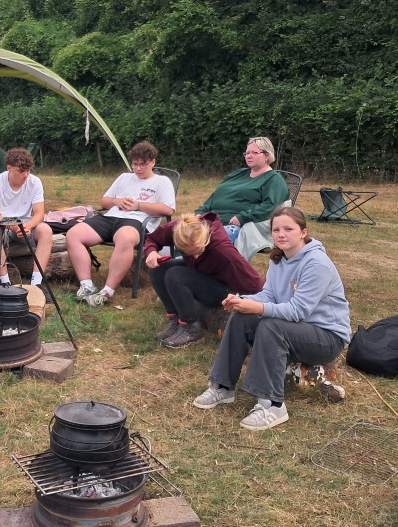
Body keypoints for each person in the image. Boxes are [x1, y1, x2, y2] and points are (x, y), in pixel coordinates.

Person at [193, 207, 350, 431]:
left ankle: (272, 405)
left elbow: (298, 311)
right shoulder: (278, 259)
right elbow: (269, 295)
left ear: (303, 232)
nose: (281, 234)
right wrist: (241, 301)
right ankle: (222, 386)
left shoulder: (317, 263)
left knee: (271, 326)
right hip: (296, 329)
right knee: (241, 317)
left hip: (326, 337)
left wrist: (256, 307)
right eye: (276, 230)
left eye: (288, 229)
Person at [67, 141, 176, 306]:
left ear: (153, 162)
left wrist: (138, 205)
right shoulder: (124, 177)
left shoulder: (162, 182)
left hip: (137, 221)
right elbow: (104, 202)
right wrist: (117, 202)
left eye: (143, 164)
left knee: (125, 238)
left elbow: (168, 209)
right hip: (111, 216)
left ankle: (107, 292)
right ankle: (87, 286)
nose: (138, 168)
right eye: (135, 164)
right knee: (74, 234)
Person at [144, 213, 264, 348]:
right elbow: (152, 238)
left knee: (175, 275)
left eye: (199, 251)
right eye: (189, 253)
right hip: (201, 273)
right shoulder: (179, 230)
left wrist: (264, 307)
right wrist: (151, 251)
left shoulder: (223, 251)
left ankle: (191, 327)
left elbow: (254, 283)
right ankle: (175, 319)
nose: (196, 256)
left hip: (222, 289)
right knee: (158, 269)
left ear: (205, 240)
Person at [196, 136, 289, 244]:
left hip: (237, 226)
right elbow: (216, 196)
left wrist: (243, 217)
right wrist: (201, 212)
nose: (249, 156)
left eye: (254, 153)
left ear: (267, 155)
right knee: (182, 231)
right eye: (247, 153)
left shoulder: (274, 179)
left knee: (204, 240)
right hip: (209, 220)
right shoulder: (238, 174)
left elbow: (270, 206)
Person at [0, 148, 52, 289]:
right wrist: (14, 226)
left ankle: (36, 283)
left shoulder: (35, 182)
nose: (26, 175)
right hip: (0, 223)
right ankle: (5, 282)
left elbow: (39, 213)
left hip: (24, 223)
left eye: (28, 170)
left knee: (46, 230)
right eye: (21, 171)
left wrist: (29, 226)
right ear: (9, 168)